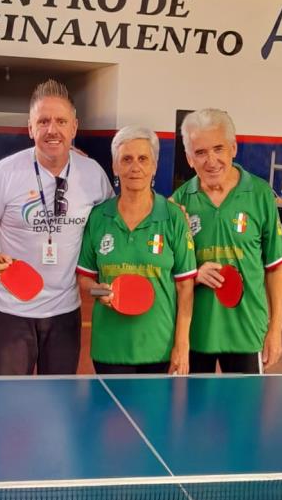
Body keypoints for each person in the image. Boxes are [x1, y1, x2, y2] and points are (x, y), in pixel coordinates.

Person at [0, 79, 113, 376]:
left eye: (60, 121)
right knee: (7, 407)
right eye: (43, 121)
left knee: (57, 406)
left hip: (65, 313)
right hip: (11, 313)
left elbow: (116, 222)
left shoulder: (93, 174)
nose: (52, 129)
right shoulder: (5, 173)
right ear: (30, 128)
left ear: (74, 127)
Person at [171, 109, 282, 374]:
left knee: (244, 415)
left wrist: (276, 330)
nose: (211, 161)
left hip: (246, 334)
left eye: (218, 149)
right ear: (189, 159)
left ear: (233, 148)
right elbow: (169, 273)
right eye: (200, 152)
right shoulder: (178, 203)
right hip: (196, 335)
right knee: (194, 415)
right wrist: (196, 273)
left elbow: (276, 267)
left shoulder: (260, 195)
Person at [77, 126, 196, 375]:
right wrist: (101, 291)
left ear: (154, 166)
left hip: (158, 348)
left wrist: (182, 345)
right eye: (126, 159)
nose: (135, 167)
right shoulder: (99, 217)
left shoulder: (173, 217)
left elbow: (185, 287)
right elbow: (85, 279)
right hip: (109, 349)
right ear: (115, 167)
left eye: (143, 159)